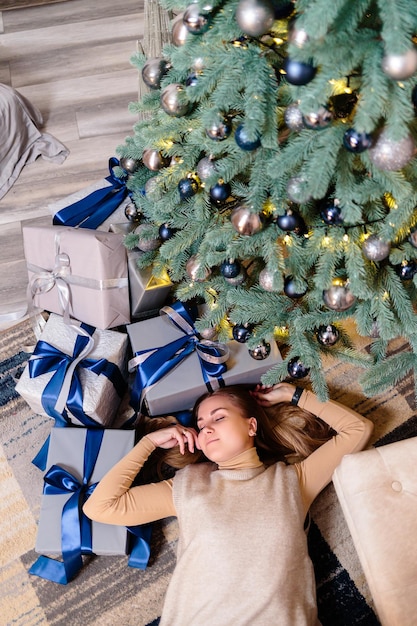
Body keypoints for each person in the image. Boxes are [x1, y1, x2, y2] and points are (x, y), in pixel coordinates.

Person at [83, 383, 373, 626]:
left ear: (251, 425)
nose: (207, 429)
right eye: (201, 425)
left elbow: (358, 429)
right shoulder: (188, 486)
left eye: (218, 418)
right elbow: (100, 507)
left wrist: (295, 395)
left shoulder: (293, 482)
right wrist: (148, 444)